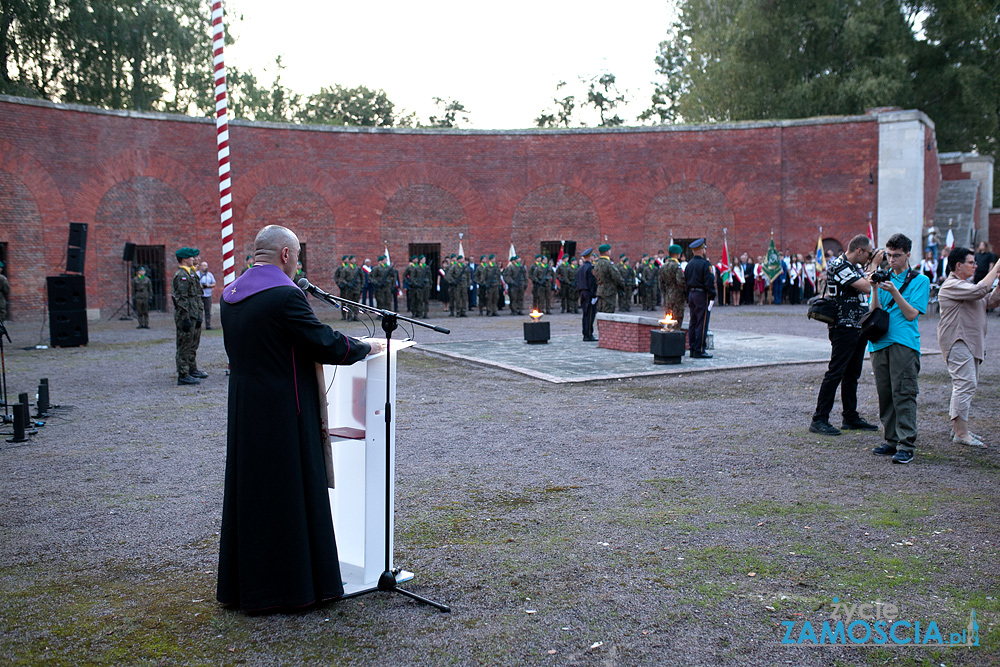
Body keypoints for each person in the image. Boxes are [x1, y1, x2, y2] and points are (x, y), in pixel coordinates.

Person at [216, 225, 384, 613]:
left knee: (252, 494)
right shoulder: (283, 295)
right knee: (287, 493)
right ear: (286, 256)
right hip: (284, 410)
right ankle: (290, 587)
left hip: (246, 407)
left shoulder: (231, 294)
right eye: (298, 257)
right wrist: (364, 346)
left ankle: (246, 585)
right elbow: (321, 341)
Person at [809, 235, 882, 436]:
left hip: (858, 326)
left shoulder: (855, 267)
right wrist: (874, 265)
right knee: (836, 372)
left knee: (852, 374)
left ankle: (850, 416)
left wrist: (871, 266)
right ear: (859, 251)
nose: (869, 256)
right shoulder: (838, 265)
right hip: (843, 326)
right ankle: (819, 418)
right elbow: (867, 286)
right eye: (868, 252)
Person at [869, 233, 930, 465]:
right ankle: (892, 439)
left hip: (903, 343)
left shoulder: (919, 281)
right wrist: (875, 289)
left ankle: (906, 444)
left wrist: (895, 291)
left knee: (903, 393)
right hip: (879, 342)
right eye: (889, 256)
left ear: (907, 255)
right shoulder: (883, 278)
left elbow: (911, 313)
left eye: (897, 256)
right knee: (885, 394)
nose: (892, 260)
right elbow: (875, 311)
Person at [937, 247, 1000, 447]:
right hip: (958, 341)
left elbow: (989, 301)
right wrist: (996, 268)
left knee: (967, 385)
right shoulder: (951, 285)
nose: (976, 266)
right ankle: (961, 433)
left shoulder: (965, 286)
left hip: (970, 342)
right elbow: (980, 291)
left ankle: (960, 429)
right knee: (965, 384)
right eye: (972, 262)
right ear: (958, 265)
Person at [172, 247, 206, 385]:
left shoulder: (190, 273)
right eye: (191, 257)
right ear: (185, 259)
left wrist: (198, 313)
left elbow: (197, 295)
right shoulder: (181, 276)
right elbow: (181, 299)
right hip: (186, 315)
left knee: (192, 343)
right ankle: (183, 374)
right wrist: (185, 317)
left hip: (193, 313)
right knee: (184, 344)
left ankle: (191, 368)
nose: (194, 259)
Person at [684, 238, 715, 358]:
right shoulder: (705, 264)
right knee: (702, 323)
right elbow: (709, 282)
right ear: (701, 250)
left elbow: (685, 281)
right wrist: (712, 295)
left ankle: (692, 347)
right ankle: (699, 349)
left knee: (693, 321)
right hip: (702, 295)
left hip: (691, 294)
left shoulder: (689, 264)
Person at [658, 244, 686, 324]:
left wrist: (664, 294)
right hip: (677, 298)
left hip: (667, 297)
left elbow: (661, 284)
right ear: (677, 254)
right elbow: (681, 282)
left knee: (668, 321)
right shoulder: (676, 267)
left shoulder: (663, 267)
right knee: (677, 321)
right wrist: (685, 294)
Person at [575, 247, 598, 341]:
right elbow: (592, 282)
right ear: (590, 257)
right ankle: (588, 334)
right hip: (589, 292)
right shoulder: (591, 267)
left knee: (585, 314)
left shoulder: (580, 268)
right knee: (590, 314)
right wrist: (594, 295)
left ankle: (585, 333)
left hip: (582, 292)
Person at [593, 244, 622, 313]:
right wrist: (621, 285)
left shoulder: (596, 263)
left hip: (600, 290)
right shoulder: (608, 264)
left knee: (600, 312)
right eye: (609, 250)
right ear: (606, 252)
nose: (610, 251)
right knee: (608, 313)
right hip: (609, 291)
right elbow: (616, 277)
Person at [198, 261, 217, 330]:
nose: (205, 267)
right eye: (204, 265)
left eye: (206, 266)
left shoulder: (209, 275)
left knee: (208, 311)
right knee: (198, 310)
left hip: (207, 295)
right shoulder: (197, 274)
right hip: (199, 295)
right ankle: (198, 324)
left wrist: (208, 285)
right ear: (200, 266)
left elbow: (214, 283)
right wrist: (200, 286)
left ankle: (208, 325)